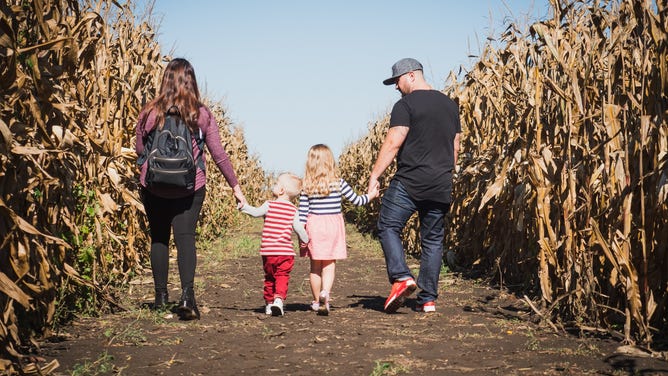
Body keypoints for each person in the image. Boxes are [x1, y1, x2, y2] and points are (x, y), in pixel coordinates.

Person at [135, 58, 247, 320]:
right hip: (190, 185)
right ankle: (187, 297)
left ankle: (161, 298)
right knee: (185, 238)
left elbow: (141, 151)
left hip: (153, 186)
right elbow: (218, 154)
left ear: (166, 80)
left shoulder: (149, 113)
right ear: (191, 82)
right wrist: (236, 187)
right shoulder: (201, 114)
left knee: (159, 237)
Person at [368, 58, 461, 314]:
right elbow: (455, 147)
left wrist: (375, 176)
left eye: (396, 81)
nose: (396, 87)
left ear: (410, 76)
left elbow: (393, 143)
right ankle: (427, 300)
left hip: (410, 182)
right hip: (441, 183)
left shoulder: (405, 104)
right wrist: (444, 174)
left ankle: (401, 277)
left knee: (387, 225)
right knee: (432, 240)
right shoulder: (450, 105)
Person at [299, 144, 379, 315]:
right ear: (330, 162)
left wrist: (301, 234)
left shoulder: (306, 185)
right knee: (329, 264)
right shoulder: (339, 183)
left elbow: (302, 214)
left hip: (314, 226)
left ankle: (315, 301)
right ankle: (325, 294)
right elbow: (357, 201)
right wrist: (371, 196)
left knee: (315, 266)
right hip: (333, 227)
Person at [239, 172, 309, 316]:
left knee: (269, 277)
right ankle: (279, 300)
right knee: (282, 276)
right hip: (285, 253)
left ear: (281, 190)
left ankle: (269, 304)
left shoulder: (268, 205)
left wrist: (244, 207)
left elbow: (255, 213)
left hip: (268, 251)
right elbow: (299, 229)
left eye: (276, 184)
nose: (273, 185)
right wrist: (306, 240)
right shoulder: (293, 210)